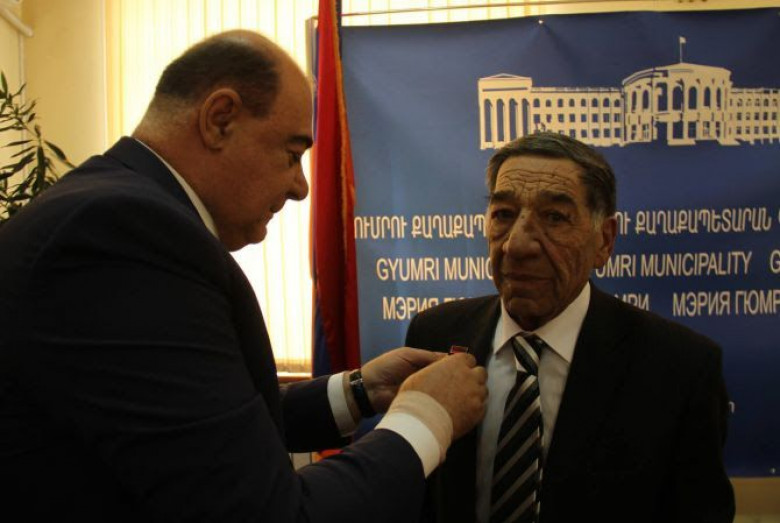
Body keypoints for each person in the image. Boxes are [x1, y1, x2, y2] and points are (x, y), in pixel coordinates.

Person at [0, 30, 488, 522]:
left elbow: (189, 422)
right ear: (220, 119)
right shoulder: (124, 234)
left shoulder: (112, 209)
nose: (301, 187)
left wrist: (360, 392)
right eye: (292, 154)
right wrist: (427, 418)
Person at [406, 132, 735, 523]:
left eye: (554, 218)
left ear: (604, 241)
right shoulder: (435, 335)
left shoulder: (681, 368)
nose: (517, 246)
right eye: (504, 214)